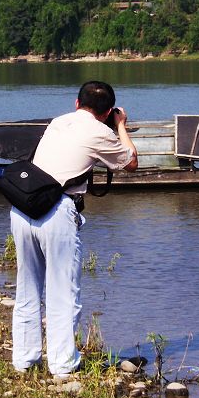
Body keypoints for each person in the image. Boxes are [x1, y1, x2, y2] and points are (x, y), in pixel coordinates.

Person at [10, 81, 138, 378]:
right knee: (63, 291)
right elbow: (131, 163)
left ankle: (25, 360)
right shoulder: (101, 131)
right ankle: (62, 363)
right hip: (57, 210)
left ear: (76, 103)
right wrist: (120, 126)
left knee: (27, 287)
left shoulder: (58, 122)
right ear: (107, 111)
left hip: (23, 207)